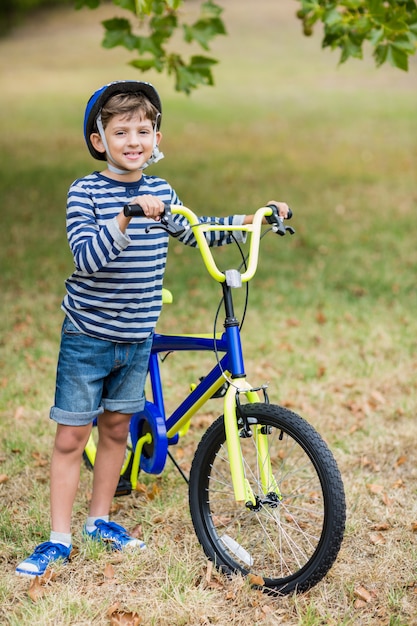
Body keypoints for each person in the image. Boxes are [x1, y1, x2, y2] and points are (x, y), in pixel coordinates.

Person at [16, 80, 290, 577]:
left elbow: (195, 228)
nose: (134, 141)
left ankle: (100, 520)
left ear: (157, 138)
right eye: (121, 132)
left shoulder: (161, 191)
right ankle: (58, 536)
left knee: (117, 428)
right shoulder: (87, 192)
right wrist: (124, 217)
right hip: (89, 335)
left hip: (137, 334)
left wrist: (252, 219)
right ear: (100, 140)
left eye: (144, 130)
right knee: (73, 436)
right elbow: (87, 258)